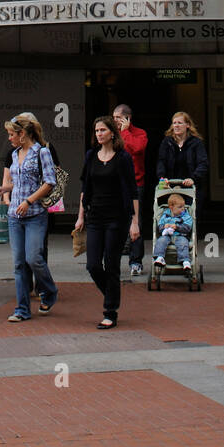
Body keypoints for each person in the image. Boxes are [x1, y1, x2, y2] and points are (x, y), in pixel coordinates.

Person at [75, 116, 139, 329]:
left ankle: (110, 311)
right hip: (95, 217)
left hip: (117, 218)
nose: (99, 134)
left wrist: (134, 222)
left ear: (113, 133)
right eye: (96, 131)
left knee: (111, 264)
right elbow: (85, 189)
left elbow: (132, 192)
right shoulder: (91, 156)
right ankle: (113, 294)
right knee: (93, 265)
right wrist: (80, 216)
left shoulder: (123, 158)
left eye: (103, 130)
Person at [0, 114, 58, 323]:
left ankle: (49, 290)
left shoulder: (42, 152)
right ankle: (22, 309)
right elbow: (19, 181)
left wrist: (29, 201)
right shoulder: (14, 154)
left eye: (12, 134)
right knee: (19, 264)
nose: (9, 138)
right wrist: (4, 189)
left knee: (34, 258)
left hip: (35, 215)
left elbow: (49, 182)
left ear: (22, 134)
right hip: (15, 215)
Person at [113, 104, 148, 277]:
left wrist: (125, 132)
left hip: (135, 184)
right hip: (116, 184)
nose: (114, 121)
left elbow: (137, 149)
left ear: (127, 118)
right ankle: (112, 261)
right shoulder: (111, 134)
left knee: (136, 223)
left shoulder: (140, 133)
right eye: (113, 118)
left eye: (117, 118)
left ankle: (136, 262)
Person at [156, 112, 209, 196]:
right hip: (170, 187)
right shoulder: (167, 142)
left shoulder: (196, 143)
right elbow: (161, 161)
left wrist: (193, 178)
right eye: (174, 123)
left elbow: (203, 163)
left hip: (191, 187)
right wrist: (162, 177)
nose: (176, 125)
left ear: (187, 125)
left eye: (180, 123)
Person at [153, 192, 194, 272]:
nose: (182, 209)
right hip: (167, 235)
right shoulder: (165, 215)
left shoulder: (186, 216)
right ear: (171, 207)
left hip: (180, 235)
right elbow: (160, 227)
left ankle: (185, 261)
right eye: (180, 207)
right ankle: (160, 257)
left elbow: (187, 228)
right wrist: (164, 226)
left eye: (183, 206)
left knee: (183, 243)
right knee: (161, 241)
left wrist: (177, 227)